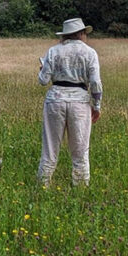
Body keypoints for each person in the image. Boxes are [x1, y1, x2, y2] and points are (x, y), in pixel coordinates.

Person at [37, 17, 102, 186]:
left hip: (55, 100)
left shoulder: (53, 51)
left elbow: (43, 80)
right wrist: (96, 106)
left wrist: (42, 69)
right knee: (80, 149)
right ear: (80, 34)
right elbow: (95, 83)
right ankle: (80, 188)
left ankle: (43, 186)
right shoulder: (90, 53)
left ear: (66, 35)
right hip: (80, 101)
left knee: (50, 148)